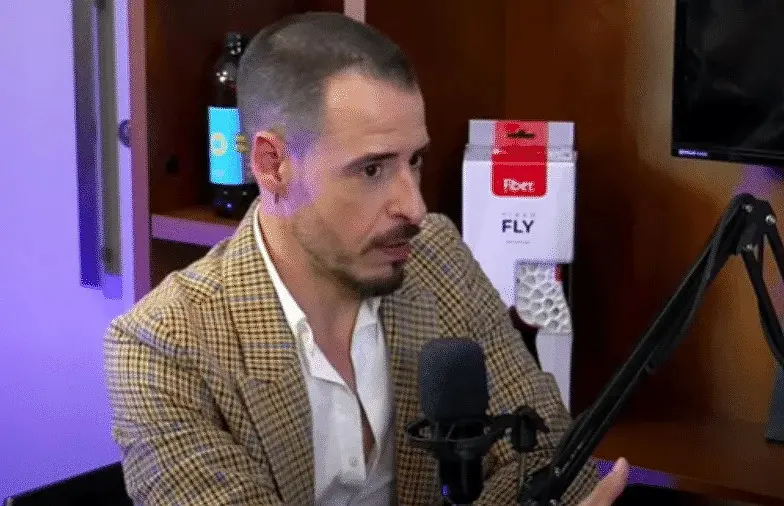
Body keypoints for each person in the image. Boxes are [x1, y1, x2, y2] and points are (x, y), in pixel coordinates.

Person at [104, 11, 629, 505]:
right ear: (273, 165)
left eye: (414, 160)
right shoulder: (162, 347)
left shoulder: (435, 257)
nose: (415, 208)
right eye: (372, 170)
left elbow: (546, 454)